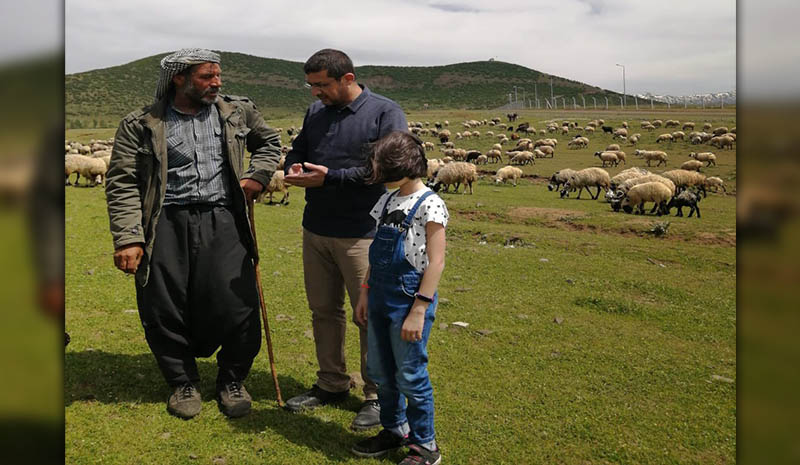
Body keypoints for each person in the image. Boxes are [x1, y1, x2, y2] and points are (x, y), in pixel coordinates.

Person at [105, 48, 281, 420]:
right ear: (178, 79)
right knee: (164, 304)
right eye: (206, 76)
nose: (216, 83)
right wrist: (128, 237)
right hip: (165, 222)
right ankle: (182, 382)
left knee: (237, 303)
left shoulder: (236, 111)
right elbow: (121, 182)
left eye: (218, 75)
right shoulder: (142, 123)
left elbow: (268, 143)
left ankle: (232, 378)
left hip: (223, 218)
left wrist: (258, 175)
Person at [282, 49, 408, 431]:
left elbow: (388, 169)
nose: (315, 93)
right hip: (316, 228)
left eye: (322, 85)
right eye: (311, 85)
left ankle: (377, 395)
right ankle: (331, 382)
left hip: (364, 233)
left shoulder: (385, 113)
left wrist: (330, 178)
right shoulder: (316, 113)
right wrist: (294, 166)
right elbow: (300, 148)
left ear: (348, 79)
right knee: (323, 310)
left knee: (368, 316)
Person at [351, 131, 447, 465]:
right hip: (378, 295)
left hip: (409, 299)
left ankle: (425, 445)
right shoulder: (388, 201)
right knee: (380, 369)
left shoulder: (431, 203)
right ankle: (394, 429)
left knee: (410, 372)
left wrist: (419, 308)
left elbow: (436, 261)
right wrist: (365, 292)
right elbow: (376, 252)